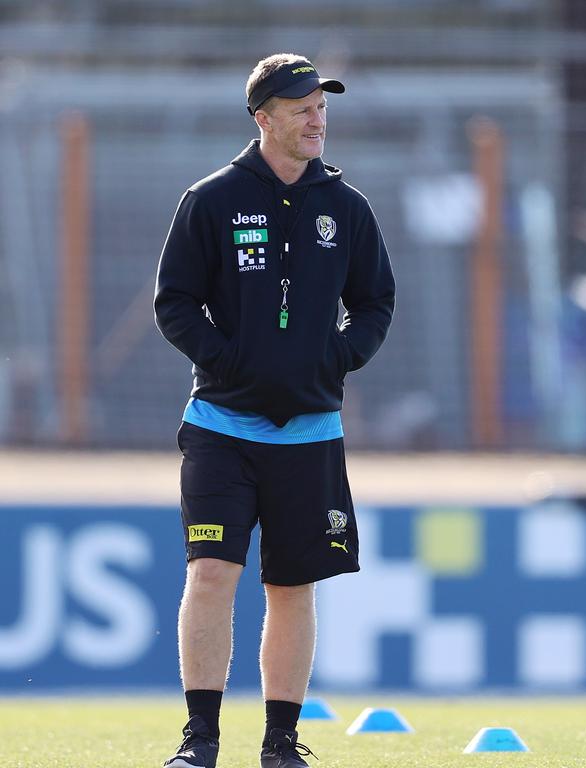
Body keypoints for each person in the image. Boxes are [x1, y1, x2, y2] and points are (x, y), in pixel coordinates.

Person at [154, 53, 395, 768]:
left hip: (312, 429)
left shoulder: (347, 207)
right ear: (264, 118)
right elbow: (175, 303)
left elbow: (376, 301)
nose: (317, 118)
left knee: (292, 587)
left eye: (322, 105)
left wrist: (339, 358)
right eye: (301, 107)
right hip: (221, 427)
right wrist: (231, 363)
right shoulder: (211, 199)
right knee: (212, 572)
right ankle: (200, 740)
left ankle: (282, 743)